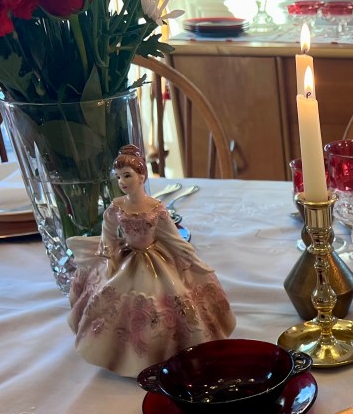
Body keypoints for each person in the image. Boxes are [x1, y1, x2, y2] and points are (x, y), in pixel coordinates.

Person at [68, 145, 236, 377]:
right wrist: (109, 255)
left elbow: (173, 238)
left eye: (127, 175)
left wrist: (190, 259)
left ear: (142, 176)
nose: (122, 182)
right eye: (118, 177)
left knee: (173, 298)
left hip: (156, 260)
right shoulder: (117, 207)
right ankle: (126, 357)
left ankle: (174, 353)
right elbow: (108, 232)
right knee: (115, 301)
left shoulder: (156, 209)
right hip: (128, 261)